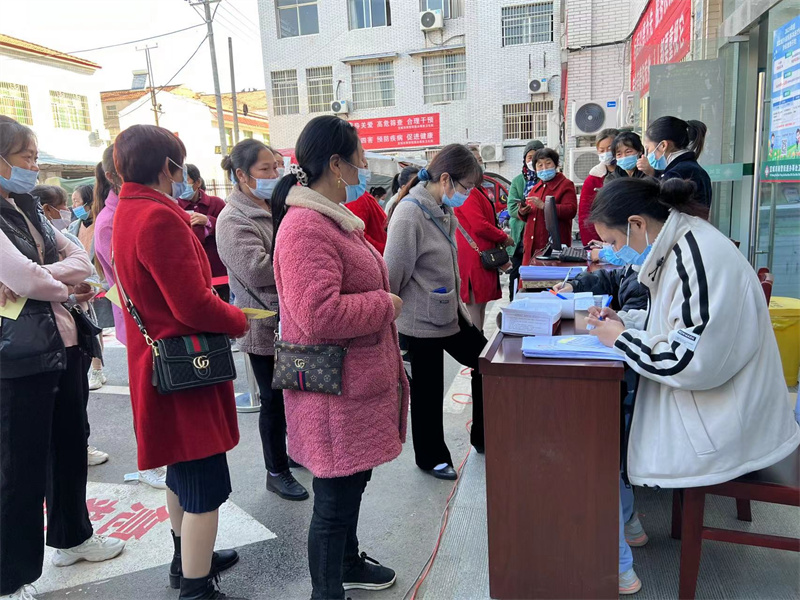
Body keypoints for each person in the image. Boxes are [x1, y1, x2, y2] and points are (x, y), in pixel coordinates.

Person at [585, 176, 800, 594]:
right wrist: (625, 322)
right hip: (722, 400)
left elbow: (689, 361)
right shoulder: (682, 243)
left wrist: (622, 340)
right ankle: (626, 524)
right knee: (615, 424)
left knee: (603, 437)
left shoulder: (695, 256)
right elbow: (676, 324)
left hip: (728, 420)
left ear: (637, 223)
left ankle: (616, 542)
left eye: (613, 241)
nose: (613, 252)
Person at [270, 115, 408, 600]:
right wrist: (385, 305)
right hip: (335, 393)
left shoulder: (331, 219)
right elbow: (318, 313)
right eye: (360, 158)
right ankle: (327, 592)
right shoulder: (306, 227)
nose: (365, 166)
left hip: (353, 386)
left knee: (350, 486)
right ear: (336, 164)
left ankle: (348, 563)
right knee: (333, 502)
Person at [111, 124, 246, 599]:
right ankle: (196, 586)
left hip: (160, 364)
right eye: (179, 165)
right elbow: (191, 304)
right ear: (167, 166)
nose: (181, 174)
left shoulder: (128, 210)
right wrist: (237, 319)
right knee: (204, 483)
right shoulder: (158, 217)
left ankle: (185, 559)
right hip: (186, 367)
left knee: (181, 472)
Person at [0, 117, 124, 600]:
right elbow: (23, 278)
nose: (34, 167)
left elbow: (79, 260)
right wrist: (62, 286)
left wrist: (46, 279)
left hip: (65, 343)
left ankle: (73, 537)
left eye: (34, 157)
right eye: (25, 158)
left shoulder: (28, 205)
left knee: (70, 447)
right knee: (18, 468)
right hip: (19, 354)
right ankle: (10, 577)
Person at [385, 143, 486, 481]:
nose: (467, 194)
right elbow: (392, 273)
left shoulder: (441, 207)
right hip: (418, 320)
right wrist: (393, 318)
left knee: (488, 363)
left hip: (450, 312)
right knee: (427, 394)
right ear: (445, 179)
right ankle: (431, 458)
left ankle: (485, 435)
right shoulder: (409, 213)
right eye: (466, 186)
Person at [216, 139, 308, 502]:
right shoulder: (233, 219)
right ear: (242, 175)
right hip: (264, 322)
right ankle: (276, 471)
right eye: (265, 169)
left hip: (290, 317)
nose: (274, 174)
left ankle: (293, 453)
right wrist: (301, 258)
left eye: (276, 167)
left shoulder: (276, 205)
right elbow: (256, 270)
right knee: (272, 400)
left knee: (293, 395)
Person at [92, 144, 167, 490]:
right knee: (146, 396)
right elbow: (130, 278)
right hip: (139, 322)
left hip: (147, 320)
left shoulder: (129, 210)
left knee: (159, 394)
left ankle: (160, 457)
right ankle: (150, 462)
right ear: (112, 176)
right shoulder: (111, 220)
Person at [34, 184, 111, 467]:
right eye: (65, 205)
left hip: (75, 328)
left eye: (72, 203)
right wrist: (62, 287)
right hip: (42, 337)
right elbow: (27, 283)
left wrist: (42, 279)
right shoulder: (24, 243)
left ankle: (81, 445)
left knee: (77, 400)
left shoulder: (64, 237)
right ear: (46, 210)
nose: (69, 210)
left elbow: (85, 270)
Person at [455, 148, 514, 331]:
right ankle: (477, 347)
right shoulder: (468, 191)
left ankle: (479, 345)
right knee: (474, 307)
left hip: (480, 254)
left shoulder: (475, 189)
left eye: (480, 160)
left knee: (479, 305)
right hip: (474, 257)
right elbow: (479, 225)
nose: (480, 164)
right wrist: (503, 237)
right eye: (476, 160)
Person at [636, 116, 711, 209]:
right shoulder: (692, 168)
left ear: (663, 145)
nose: (647, 154)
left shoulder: (675, 174)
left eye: (648, 148)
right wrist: (654, 173)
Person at [519, 148, 578, 265]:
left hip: (552, 247)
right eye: (540, 165)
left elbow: (570, 210)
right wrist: (522, 212)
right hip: (531, 246)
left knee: (550, 275)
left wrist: (545, 206)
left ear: (555, 164)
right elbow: (529, 217)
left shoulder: (565, 185)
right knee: (528, 275)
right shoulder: (535, 188)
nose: (544, 168)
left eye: (548, 163)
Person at [180, 164, 229, 302]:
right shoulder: (175, 206)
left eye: (186, 181)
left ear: (197, 182)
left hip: (218, 269)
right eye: (179, 181)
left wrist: (208, 221)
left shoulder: (216, 203)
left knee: (223, 304)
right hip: (192, 270)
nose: (182, 185)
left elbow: (228, 228)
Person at [578, 128, 619, 245]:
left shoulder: (632, 173)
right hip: (601, 241)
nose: (606, 153)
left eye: (610, 149)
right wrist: (593, 244)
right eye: (602, 150)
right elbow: (585, 215)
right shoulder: (593, 178)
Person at [346, 189, 387, 254]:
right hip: (375, 254)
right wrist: (383, 249)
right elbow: (358, 234)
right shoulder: (359, 198)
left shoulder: (362, 196)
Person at [69, 184, 95, 253]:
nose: (73, 206)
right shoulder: (72, 227)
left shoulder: (103, 226)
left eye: (76, 201)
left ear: (91, 203)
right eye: (73, 202)